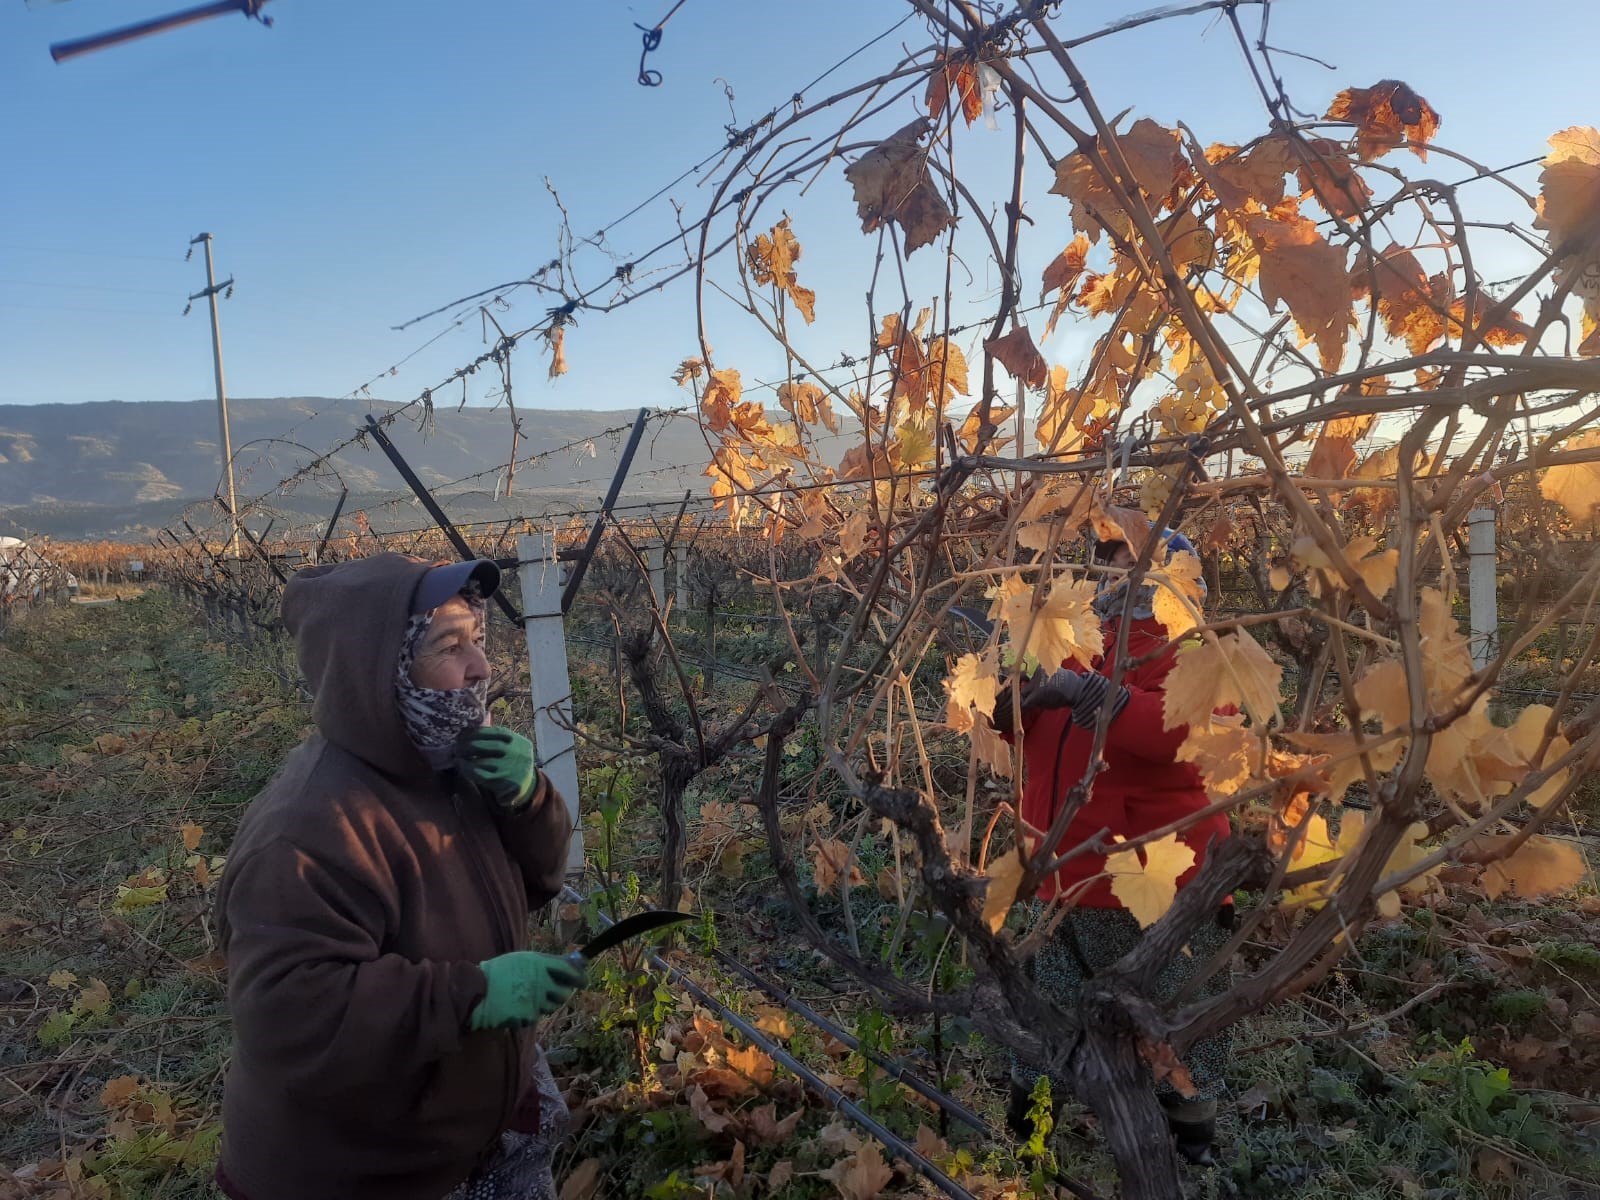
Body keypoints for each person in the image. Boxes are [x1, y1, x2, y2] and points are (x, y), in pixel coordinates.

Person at [214, 553, 583, 1200]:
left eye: (477, 637)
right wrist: (473, 995)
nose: (480, 667)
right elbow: (289, 1017)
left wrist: (527, 801)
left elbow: (538, 883)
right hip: (371, 1175)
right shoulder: (306, 830)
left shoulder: (450, 768)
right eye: (449, 645)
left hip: (457, 1134)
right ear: (375, 671)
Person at [996, 515, 1233, 1165]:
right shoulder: (1080, 641)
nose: (1112, 571)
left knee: (1172, 1018)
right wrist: (1011, 712)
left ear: (1172, 568)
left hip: (1160, 869)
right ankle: (1031, 1134)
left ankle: (1188, 1139)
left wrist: (1099, 695)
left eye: (1129, 557)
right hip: (1070, 868)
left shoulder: (1192, 647)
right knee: (1053, 1010)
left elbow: (1188, 739)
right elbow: (1047, 740)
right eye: (1106, 557)